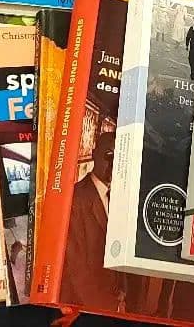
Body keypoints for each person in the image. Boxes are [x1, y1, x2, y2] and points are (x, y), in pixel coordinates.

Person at [60, 130, 125, 311]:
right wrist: (104, 307)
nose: (114, 163)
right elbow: (76, 267)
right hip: (89, 305)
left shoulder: (119, 197)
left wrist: (122, 293)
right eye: (109, 155)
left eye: (119, 158)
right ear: (94, 154)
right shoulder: (75, 198)